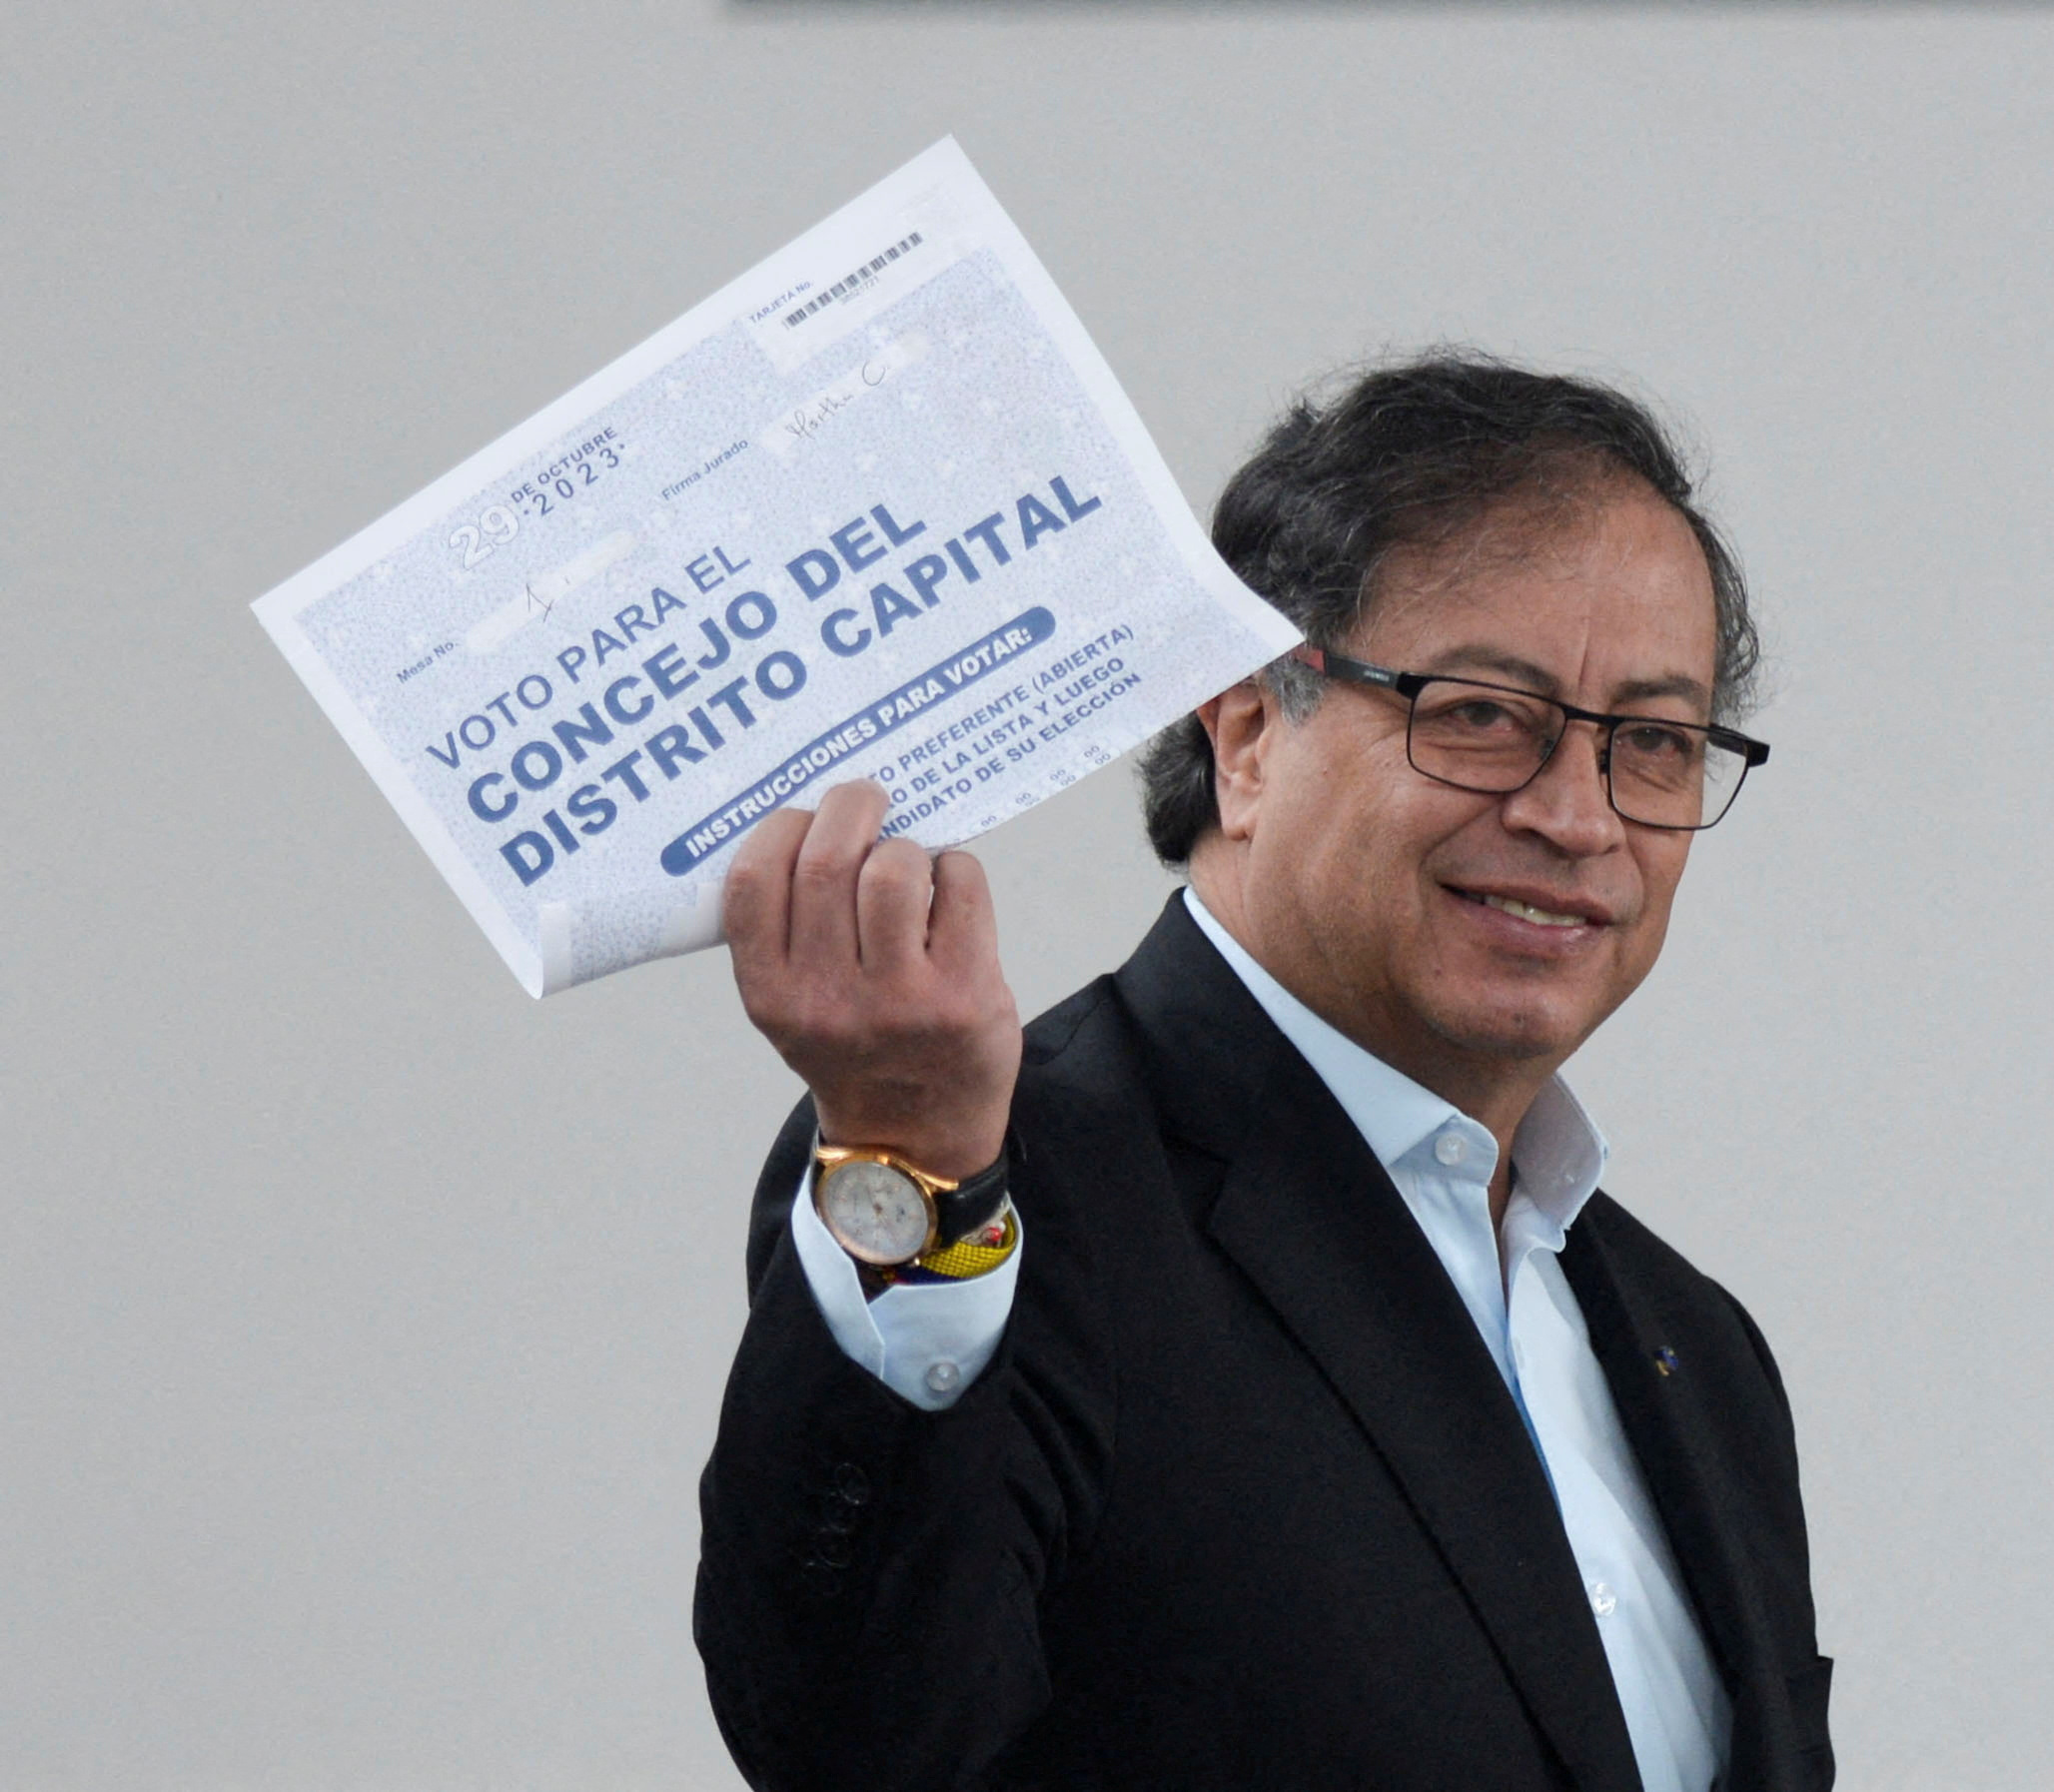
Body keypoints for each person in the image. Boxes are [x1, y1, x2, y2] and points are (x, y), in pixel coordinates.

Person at [693, 355, 1832, 1792]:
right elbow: (858, 1738)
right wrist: (909, 1149)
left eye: (1653, 745)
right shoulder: (990, 1187)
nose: (1573, 815)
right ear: (1242, 734)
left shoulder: (1696, 1347)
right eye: (1481, 712)